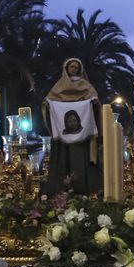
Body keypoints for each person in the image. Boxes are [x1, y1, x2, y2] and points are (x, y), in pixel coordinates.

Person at [44, 59, 102, 197]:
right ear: (66, 68)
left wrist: (93, 103)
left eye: (76, 67)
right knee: (63, 162)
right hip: (63, 143)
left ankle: (84, 189)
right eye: (72, 67)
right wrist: (47, 105)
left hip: (82, 142)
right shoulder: (58, 86)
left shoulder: (85, 86)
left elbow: (95, 102)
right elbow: (49, 101)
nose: (74, 70)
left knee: (81, 163)